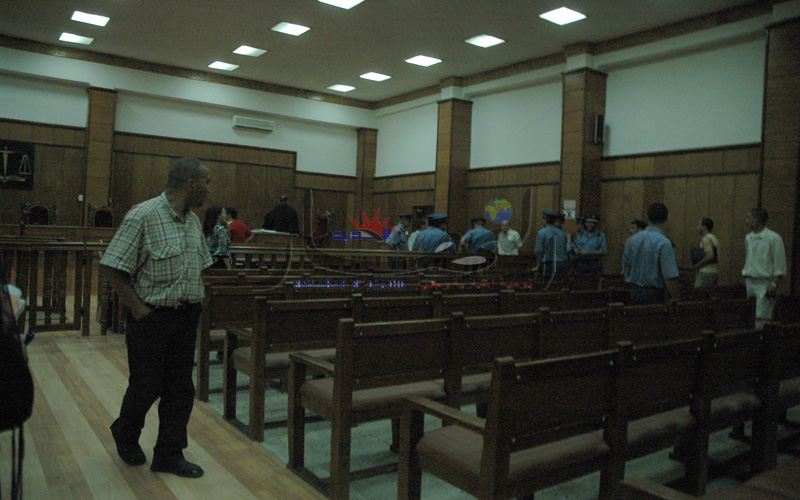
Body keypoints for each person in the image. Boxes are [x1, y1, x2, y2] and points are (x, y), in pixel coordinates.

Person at [100, 157, 213, 479]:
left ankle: (169, 455)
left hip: (186, 317)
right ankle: (125, 432)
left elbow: (200, 266)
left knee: (180, 389)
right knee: (146, 385)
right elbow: (112, 267)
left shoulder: (193, 221)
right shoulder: (143, 215)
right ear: (190, 184)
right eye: (206, 183)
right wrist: (140, 312)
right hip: (152, 317)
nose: (208, 190)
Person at [623, 203, 680, 305]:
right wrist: (676, 300)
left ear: (647, 217)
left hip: (634, 291)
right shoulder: (664, 243)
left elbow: (625, 267)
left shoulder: (631, 240)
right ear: (666, 219)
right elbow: (670, 277)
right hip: (655, 295)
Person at [742, 208, 786, 328]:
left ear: (757, 220)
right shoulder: (748, 237)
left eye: (749, 218)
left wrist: (774, 284)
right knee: (750, 316)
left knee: (761, 316)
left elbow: (780, 264)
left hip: (764, 283)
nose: (746, 221)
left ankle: (761, 338)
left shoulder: (774, 238)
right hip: (749, 280)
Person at [534, 210, 568, 276]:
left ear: (545, 220)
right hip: (561, 264)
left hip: (549, 265)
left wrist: (538, 266)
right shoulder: (562, 233)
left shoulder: (542, 232)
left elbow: (539, 251)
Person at [693, 218, 720, 288]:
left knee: (699, 294)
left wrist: (697, 265)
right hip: (714, 272)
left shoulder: (706, 239)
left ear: (704, 228)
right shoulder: (714, 238)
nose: (697, 227)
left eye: (699, 226)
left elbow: (710, 256)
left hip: (705, 273)